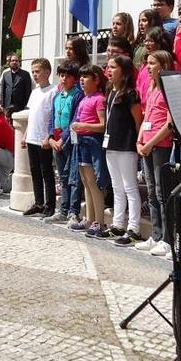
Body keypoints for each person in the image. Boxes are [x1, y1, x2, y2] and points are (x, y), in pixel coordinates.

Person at [99, 55, 144, 247]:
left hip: (126, 145)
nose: (109, 71)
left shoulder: (130, 94)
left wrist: (136, 141)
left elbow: (137, 121)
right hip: (111, 144)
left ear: (124, 71)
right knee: (117, 186)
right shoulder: (110, 91)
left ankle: (134, 228)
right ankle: (118, 224)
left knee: (130, 187)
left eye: (113, 67)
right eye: (108, 67)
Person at [134, 50, 174, 254]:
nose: (148, 67)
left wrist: (150, 143)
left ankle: (168, 237)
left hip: (161, 145)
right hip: (147, 144)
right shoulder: (151, 88)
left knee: (162, 191)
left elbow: (169, 124)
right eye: (147, 63)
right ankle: (156, 234)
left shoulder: (168, 89)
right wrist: (140, 139)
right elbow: (147, 116)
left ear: (163, 65)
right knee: (151, 191)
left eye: (152, 63)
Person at [69, 64, 108, 234]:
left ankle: (99, 221)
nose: (82, 80)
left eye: (86, 77)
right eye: (81, 77)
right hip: (81, 142)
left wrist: (82, 125)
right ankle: (89, 218)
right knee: (85, 181)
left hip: (92, 142)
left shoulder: (99, 98)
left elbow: (102, 125)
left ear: (96, 79)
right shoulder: (84, 99)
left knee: (93, 182)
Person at [44, 62, 83, 225]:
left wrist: (62, 139)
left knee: (73, 177)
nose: (64, 78)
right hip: (57, 143)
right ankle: (63, 209)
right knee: (62, 177)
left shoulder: (77, 96)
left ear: (75, 79)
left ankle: (73, 211)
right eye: (62, 75)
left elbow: (76, 119)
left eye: (68, 75)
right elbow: (52, 118)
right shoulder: (57, 96)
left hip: (70, 142)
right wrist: (51, 137)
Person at [20, 58, 56, 217]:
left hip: (44, 140)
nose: (34, 74)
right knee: (35, 172)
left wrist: (49, 137)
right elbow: (32, 115)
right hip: (32, 138)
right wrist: (26, 135)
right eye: (33, 71)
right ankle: (39, 202)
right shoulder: (34, 92)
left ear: (47, 72)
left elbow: (52, 117)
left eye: (37, 71)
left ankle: (50, 205)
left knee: (46, 172)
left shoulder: (53, 91)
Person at [0, 54, 32, 119]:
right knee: (8, 124)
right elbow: (3, 90)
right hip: (7, 105)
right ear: (9, 62)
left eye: (16, 61)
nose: (14, 62)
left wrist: (27, 105)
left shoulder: (25, 74)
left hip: (20, 106)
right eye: (12, 61)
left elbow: (28, 91)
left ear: (19, 63)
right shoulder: (5, 74)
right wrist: (2, 104)